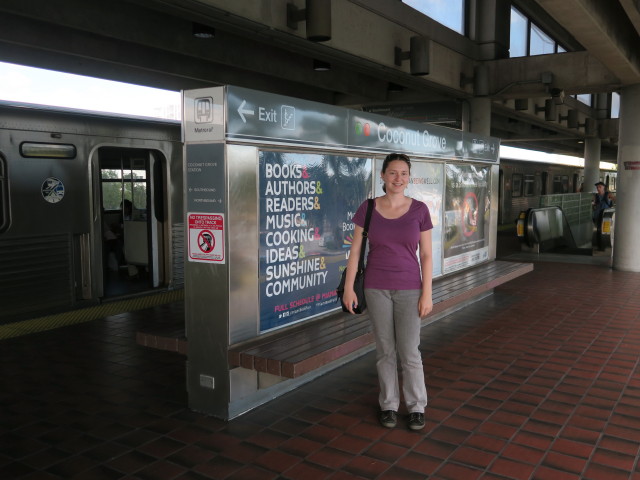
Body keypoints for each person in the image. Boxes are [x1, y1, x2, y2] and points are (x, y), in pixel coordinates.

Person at [342, 153, 433, 431]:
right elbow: (355, 251)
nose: (398, 178)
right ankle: (389, 405)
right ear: (382, 176)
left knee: (409, 351)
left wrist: (427, 292)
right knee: (385, 350)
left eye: (403, 173)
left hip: (409, 288)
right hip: (375, 287)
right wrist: (348, 287)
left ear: (409, 177)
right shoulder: (367, 209)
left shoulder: (419, 210)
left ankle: (417, 406)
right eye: (392, 173)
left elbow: (427, 255)